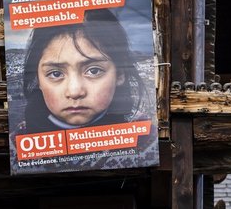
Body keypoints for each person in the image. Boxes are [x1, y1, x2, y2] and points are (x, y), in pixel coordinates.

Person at [18, 9, 150, 129]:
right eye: (56, 74)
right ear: (38, 79)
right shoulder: (18, 147)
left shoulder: (144, 135)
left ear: (120, 73)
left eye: (94, 71)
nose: (75, 91)